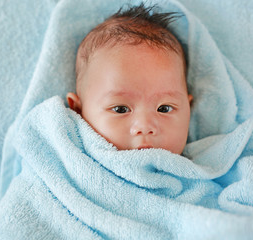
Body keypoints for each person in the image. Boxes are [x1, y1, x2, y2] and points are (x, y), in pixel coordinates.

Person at [67, 3, 193, 155]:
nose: (145, 127)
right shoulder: (63, 163)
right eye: (121, 109)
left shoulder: (212, 169)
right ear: (78, 111)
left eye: (164, 109)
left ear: (188, 108)